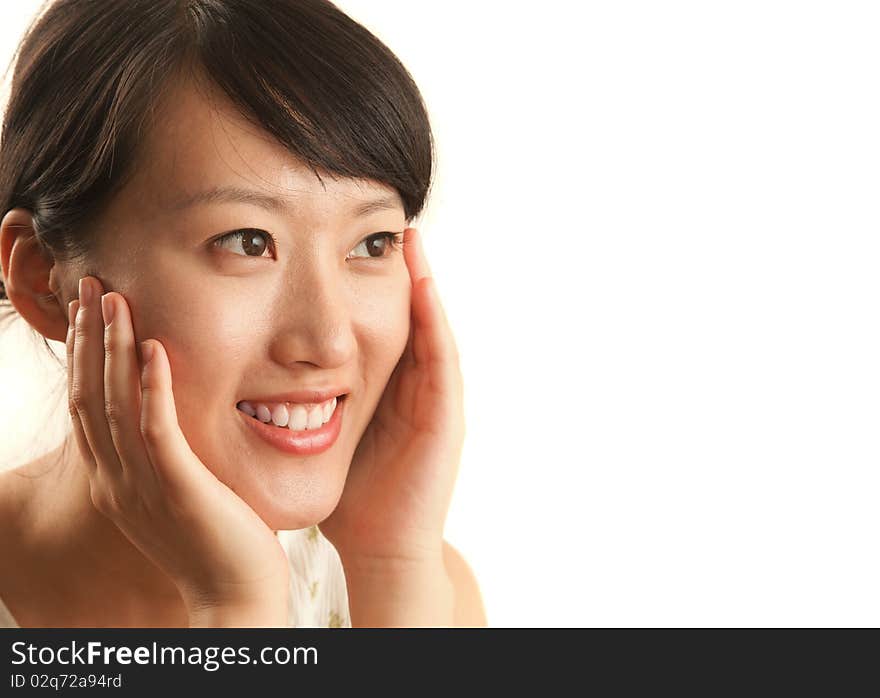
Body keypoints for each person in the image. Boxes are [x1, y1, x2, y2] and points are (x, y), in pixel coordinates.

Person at [0, 0, 486, 628]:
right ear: (44, 279)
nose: (330, 342)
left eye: (371, 244)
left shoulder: (419, 591)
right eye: (248, 242)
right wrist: (235, 607)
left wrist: (390, 570)